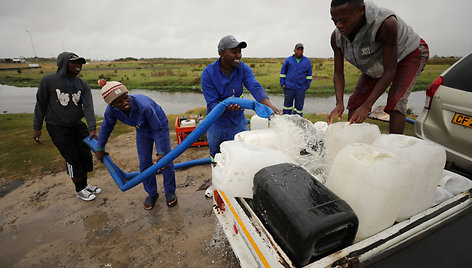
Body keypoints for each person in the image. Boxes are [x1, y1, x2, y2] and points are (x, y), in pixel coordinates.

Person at [327, 0, 429, 134]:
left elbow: (390, 71)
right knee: (355, 102)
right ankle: (353, 143)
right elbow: (338, 73)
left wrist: (367, 106)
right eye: (335, 21)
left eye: (343, 20)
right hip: (377, 61)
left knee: (396, 103)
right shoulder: (337, 38)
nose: (338, 25)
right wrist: (339, 103)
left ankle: (394, 148)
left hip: (409, 53)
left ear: (361, 11)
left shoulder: (385, 24)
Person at [201, 35, 279, 197]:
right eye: (234, 52)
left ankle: (238, 186)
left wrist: (267, 104)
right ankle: (216, 184)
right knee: (216, 154)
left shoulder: (242, 69)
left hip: (238, 121)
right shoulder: (208, 73)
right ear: (221, 53)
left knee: (241, 151)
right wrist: (227, 106)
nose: (239, 55)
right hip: (217, 123)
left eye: (240, 51)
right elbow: (212, 103)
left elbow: (255, 87)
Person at [95, 79, 177, 210]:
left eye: (126, 97)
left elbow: (157, 128)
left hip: (159, 126)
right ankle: (151, 193)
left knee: (165, 160)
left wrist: (160, 152)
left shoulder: (144, 106)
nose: (125, 102)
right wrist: (99, 147)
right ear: (112, 104)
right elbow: (106, 127)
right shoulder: (111, 111)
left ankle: (170, 191)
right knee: (144, 162)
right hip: (142, 128)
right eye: (119, 101)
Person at [33, 52, 101, 201]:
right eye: (74, 63)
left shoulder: (83, 84)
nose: (78, 66)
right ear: (63, 63)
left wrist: (92, 128)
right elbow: (41, 105)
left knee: (85, 156)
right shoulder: (48, 81)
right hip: (57, 127)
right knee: (72, 159)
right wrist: (37, 127)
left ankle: (85, 185)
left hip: (77, 126)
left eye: (80, 63)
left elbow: (88, 107)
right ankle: (79, 190)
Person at [280, 43, 313, 116]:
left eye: (301, 50)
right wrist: (282, 84)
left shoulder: (307, 61)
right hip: (289, 87)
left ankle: (298, 123)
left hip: (301, 88)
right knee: (287, 106)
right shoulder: (288, 60)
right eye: (298, 50)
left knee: (299, 108)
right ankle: (286, 122)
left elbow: (309, 75)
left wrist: (306, 86)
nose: (299, 51)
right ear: (294, 50)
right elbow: (283, 72)